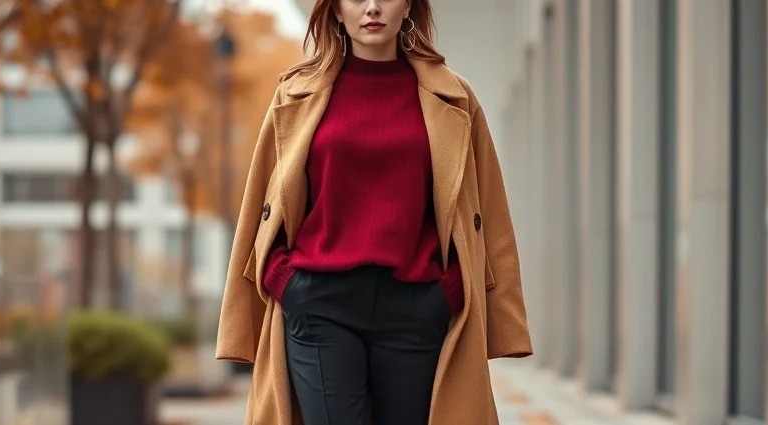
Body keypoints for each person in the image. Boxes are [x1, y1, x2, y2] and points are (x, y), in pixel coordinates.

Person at [215, 0, 532, 424]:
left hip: (417, 306)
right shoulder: (296, 93)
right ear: (336, 11)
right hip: (319, 304)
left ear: (408, 8)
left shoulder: (454, 97)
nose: (372, 7)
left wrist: (450, 292)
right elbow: (263, 202)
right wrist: (284, 281)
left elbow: (489, 211)